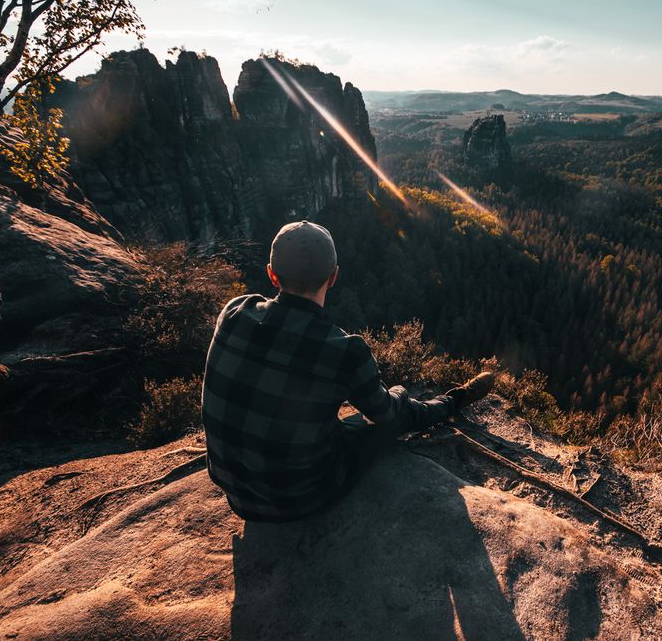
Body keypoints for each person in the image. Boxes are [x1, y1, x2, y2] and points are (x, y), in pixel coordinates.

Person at [202, 220, 495, 522]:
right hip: (303, 498)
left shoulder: (234, 310)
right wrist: (399, 392)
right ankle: (455, 399)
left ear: (272, 275)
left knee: (343, 422)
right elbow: (387, 415)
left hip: (236, 495)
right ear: (334, 277)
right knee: (397, 415)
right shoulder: (344, 348)